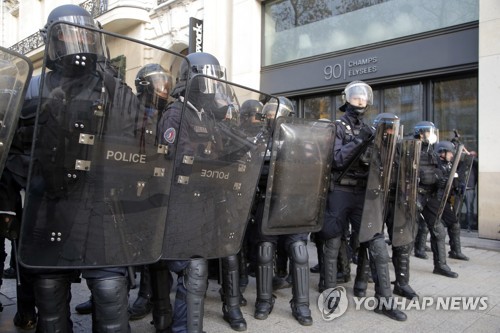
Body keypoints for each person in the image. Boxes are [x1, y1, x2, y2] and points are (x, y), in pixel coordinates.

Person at [15, 5, 146, 331]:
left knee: (110, 290)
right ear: (55, 39)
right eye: (71, 33)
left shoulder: (115, 88)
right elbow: (13, 149)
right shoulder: (33, 88)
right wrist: (36, 176)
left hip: (102, 208)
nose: (80, 40)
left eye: (86, 33)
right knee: (49, 295)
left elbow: (140, 144)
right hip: (51, 208)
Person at [157, 51, 246, 333]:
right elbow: (176, 161)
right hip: (182, 206)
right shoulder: (175, 114)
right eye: (207, 79)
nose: (212, 86)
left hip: (206, 204)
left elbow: (218, 154)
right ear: (192, 80)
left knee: (199, 271)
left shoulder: (207, 117)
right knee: (192, 270)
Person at [319, 81, 407, 321]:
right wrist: (359, 142)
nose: (360, 101)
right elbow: (336, 159)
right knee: (333, 240)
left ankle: (385, 300)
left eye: (363, 98)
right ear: (347, 99)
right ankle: (329, 291)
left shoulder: (370, 128)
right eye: (356, 97)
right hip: (339, 189)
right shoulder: (337, 127)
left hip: (363, 193)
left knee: (376, 241)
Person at [252, 97, 313, 326]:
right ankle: (264, 300)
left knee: (299, 251)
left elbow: (314, 172)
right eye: (267, 114)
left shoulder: (302, 140)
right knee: (265, 251)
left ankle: (301, 304)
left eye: (274, 113)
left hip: (294, 204)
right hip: (267, 204)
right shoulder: (259, 140)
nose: (269, 117)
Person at [413, 122, 459, 278]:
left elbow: (439, 172)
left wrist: (440, 179)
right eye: (428, 133)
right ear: (420, 134)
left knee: (438, 231)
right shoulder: (411, 150)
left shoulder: (433, 153)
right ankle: (400, 273)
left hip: (430, 196)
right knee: (407, 233)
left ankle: (440, 265)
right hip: (415, 195)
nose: (431, 135)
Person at [434, 140, 469, 261]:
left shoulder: (448, 164)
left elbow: (463, 165)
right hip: (437, 200)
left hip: (447, 199)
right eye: (450, 153)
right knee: (451, 225)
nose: (452, 155)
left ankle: (455, 251)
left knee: (453, 224)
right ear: (442, 152)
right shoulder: (436, 165)